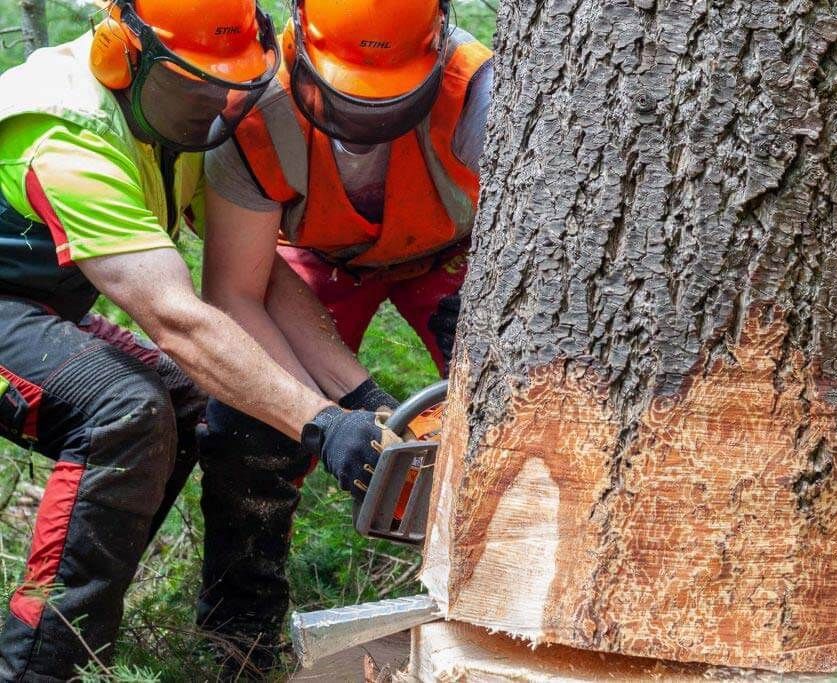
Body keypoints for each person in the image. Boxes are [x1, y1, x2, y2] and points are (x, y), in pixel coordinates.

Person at [0, 0, 395, 678]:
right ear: (122, 56)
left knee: (181, 400)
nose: (213, 102)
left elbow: (256, 276)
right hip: (16, 304)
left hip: (30, 303)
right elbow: (176, 318)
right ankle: (35, 667)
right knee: (124, 410)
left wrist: (361, 397)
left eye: (226, 84)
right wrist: (321, 425)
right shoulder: (65, 130)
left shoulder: (181, 127)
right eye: (193, 83)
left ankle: (139, 640)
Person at [198, 0, 493, 668]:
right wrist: (340, 410)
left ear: (438, 42)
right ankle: (238, 637)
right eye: (349, 101)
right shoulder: (256, 109)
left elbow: (554, 224)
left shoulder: (478, 88)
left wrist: (502, 311)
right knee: (246, 422)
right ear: (299, 35)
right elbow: (238, 292)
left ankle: (503, 598)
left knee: (519, 409)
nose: (366, 124)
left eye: (387, 104)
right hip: (319, 259)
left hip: (457, 251)